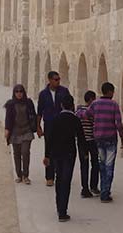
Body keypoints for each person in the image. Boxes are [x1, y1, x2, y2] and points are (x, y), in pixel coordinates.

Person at [42, 94, 87, 222]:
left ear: (61, 105)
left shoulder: (55, 119)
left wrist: (47, 155)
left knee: (59, 178)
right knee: (66, 181)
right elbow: (81, 138)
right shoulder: (75, 120)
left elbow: (49, 139)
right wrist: (84, 152)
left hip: (56, 153)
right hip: (69, 153)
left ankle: (59, 207)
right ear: (72, 105)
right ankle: (63, 211)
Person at [87, 82, 123, 202]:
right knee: (109, 166)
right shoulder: (114, 105)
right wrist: (122, 137)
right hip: (110, 139)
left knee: (102, 165)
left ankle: (104, 189)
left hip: (99, 138)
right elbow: (118, 123)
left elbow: (87, 114)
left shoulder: (95, 104)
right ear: (109, 92)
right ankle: (105, 192)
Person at [36, 71, 72, 187]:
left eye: (59, 79)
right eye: (56, 79)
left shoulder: (64, 91)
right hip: (49, 124)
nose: (58, 81)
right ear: (50, 80)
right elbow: (39, 111)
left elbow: (70, 107)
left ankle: (60, 173)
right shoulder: (43, 94)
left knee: (62, 148)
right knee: (49, 149)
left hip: (62, 124)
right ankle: (49, 176)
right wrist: (38, 126)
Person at [4, 84, 36, 184]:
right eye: (17, 91)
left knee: (25, 152)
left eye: (21, 91)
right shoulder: (10, 104)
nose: (19, 93)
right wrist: (7, 129)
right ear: (14, 93)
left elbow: (33, 115)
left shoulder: (28, 103)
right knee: (17, 154)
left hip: (27, 131)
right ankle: (19, 175)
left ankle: (26, 175)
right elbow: (8, 118)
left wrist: (36, 127)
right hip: (15, 132)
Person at [75, 90, 100, 198]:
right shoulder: (92, 111)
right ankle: (93, 187)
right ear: (91, 99)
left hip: (82, 142)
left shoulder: (78, 110)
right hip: (92, 141)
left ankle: (85, 189)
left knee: (84, 165)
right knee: (95, 164)